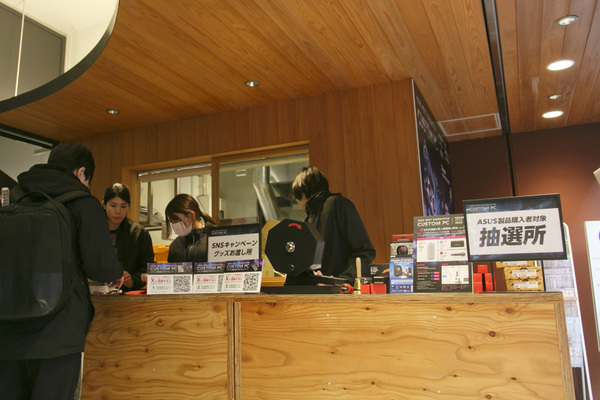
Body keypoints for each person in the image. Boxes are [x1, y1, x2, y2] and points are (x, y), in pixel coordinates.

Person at [0, 142, 124, 400]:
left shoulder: (12, 197)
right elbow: (100, 265)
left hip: (8, 330)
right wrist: (116, 272)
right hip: (58, 332)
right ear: (81, 172)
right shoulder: (82, 202)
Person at [290, 166, 375, 285]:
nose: (298, 203)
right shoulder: (312, 217)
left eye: (297, 197)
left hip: (342, 290)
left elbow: (364, 251)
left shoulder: (337, 205)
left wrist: (342, 280)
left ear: (302, 193)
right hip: (325, 289)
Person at [103, 183, 155, 292]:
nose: (118, 211)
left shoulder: (139, 233)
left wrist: (132, 280)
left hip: (127, 295)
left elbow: (148, 267)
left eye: (123, 206)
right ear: (104, 204)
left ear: (129, 206)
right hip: (95, 291)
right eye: (113, 206)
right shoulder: (92, 231)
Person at [165, 193, 217, 263]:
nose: (175, 225)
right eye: (172, 221)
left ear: (191, 215)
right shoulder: (175, 246)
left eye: (177, 219)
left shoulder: (215, 238)